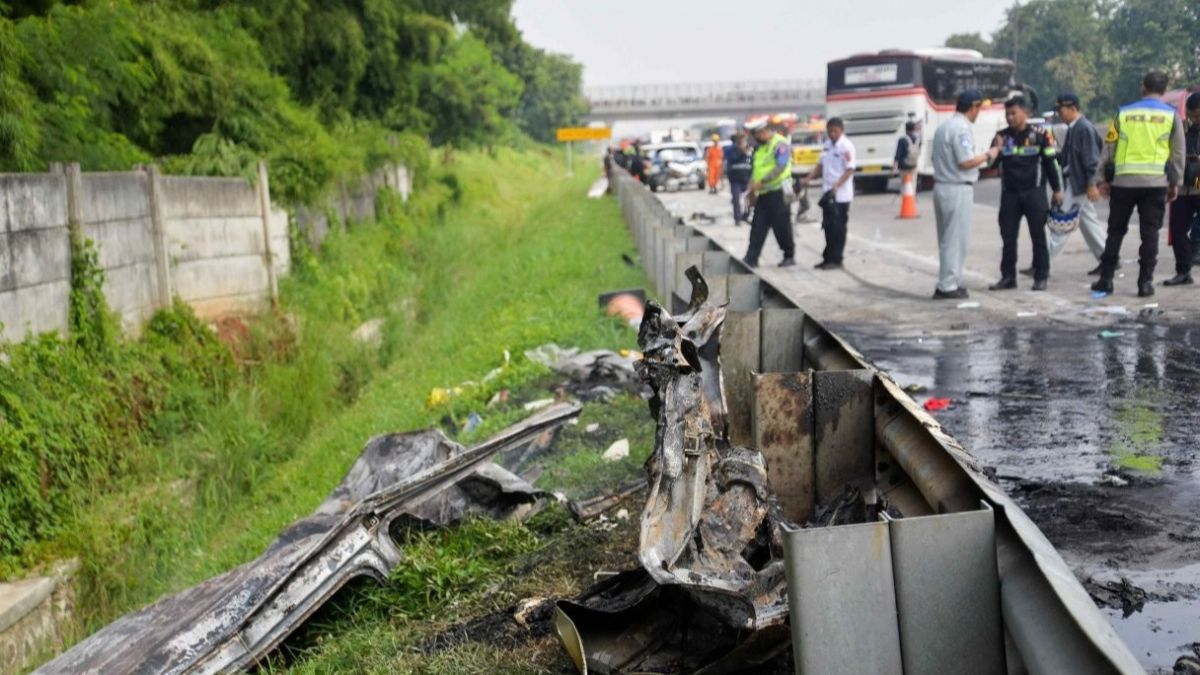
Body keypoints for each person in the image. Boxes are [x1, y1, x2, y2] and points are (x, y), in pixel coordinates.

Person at [1092, 72, 1186, 298]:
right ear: (1164, 90)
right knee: (1150, 234)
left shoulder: (1123, 113)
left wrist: (1103, 178)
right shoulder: (1172, 116)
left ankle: (1106, 280)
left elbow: (1109, 146)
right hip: (1155, 183)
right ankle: (1145, 284)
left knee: (1115, 232)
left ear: (1143, 87)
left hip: (1123, 182)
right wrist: (1176, 183)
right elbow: (1178, 153)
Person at [987, 96, 1063, 291]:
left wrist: (1057, 189)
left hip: (1034, 193)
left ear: (1026, 113)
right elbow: (991, 166)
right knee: (1008, 237)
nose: (1010, 118)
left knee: (1038, 236)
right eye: (1007, 114)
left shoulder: (1040, 135)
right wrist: (997, 147)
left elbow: (1050, 163)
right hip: (1010, 194)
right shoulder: (1001, 136)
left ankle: (1041, 275)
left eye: (1014, 113)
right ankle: (1008, 277)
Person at [931, 90, 999, 299]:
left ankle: (947, 282)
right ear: (973, 107)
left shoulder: (944, 127)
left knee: (946, 239)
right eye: (979, 108)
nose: (979, 113)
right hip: (957, 188)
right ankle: (948, 285)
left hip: (942, 185)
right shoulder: (961, 129)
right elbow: (966, 161)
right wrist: (990, 154)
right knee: (955, 240)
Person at [1036, 94, 1106, 274]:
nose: (1060, 113)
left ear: (1073, 108)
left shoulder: (1083, 128)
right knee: (1089, 223)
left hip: (1079, 184)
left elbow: (1091, 160)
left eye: (1062, 110)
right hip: (1075, 182)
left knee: (1062, 224)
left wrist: (1091, 184)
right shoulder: (1074, 128)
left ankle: (1043, 261)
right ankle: (1108, 259)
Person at [741, 118, 795, 268]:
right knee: (758, 225)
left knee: (781, 226)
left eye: (757, 135)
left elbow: (781, 166)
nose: (755, 139)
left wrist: (762, 181)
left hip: (779, 191)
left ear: (763, 131)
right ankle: (751, 258)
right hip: (764, 193)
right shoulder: (761, 148)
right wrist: (751, 185)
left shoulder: (780, 144)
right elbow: (757, 169)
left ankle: (789, 255)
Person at [806, 117, 855, 269]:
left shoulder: (846, 146)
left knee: (838, 228)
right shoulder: (827, 145)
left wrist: (837, 185)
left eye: (835, 131)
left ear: (841, 130)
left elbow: (850, 169)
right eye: (830, 131)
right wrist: (808, 178)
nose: (832, 134)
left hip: (841, 196)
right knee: (827, 227)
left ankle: (836, 259)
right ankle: (827, 258)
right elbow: (820, 165)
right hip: (828, 194)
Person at [1165, 92, 1200, 285]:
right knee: (1177, 229)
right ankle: (1183, 270)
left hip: (1199, 182)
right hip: (1182, 182)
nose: (1196, 120)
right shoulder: (1179, 128)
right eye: (1193, 116)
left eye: (1199, 116)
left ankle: (1196, 246)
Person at [725, 132, 753, 225]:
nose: (741, 141)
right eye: (739, 139)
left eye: (743, 139)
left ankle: (747, 215)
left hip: (747, 178)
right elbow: (731, 158)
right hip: (735, 179)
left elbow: (753, 161)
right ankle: (737, 219)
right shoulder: (731, 150)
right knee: (736, 199)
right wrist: (741, 151)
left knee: (749, 200)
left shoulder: (750, 149)